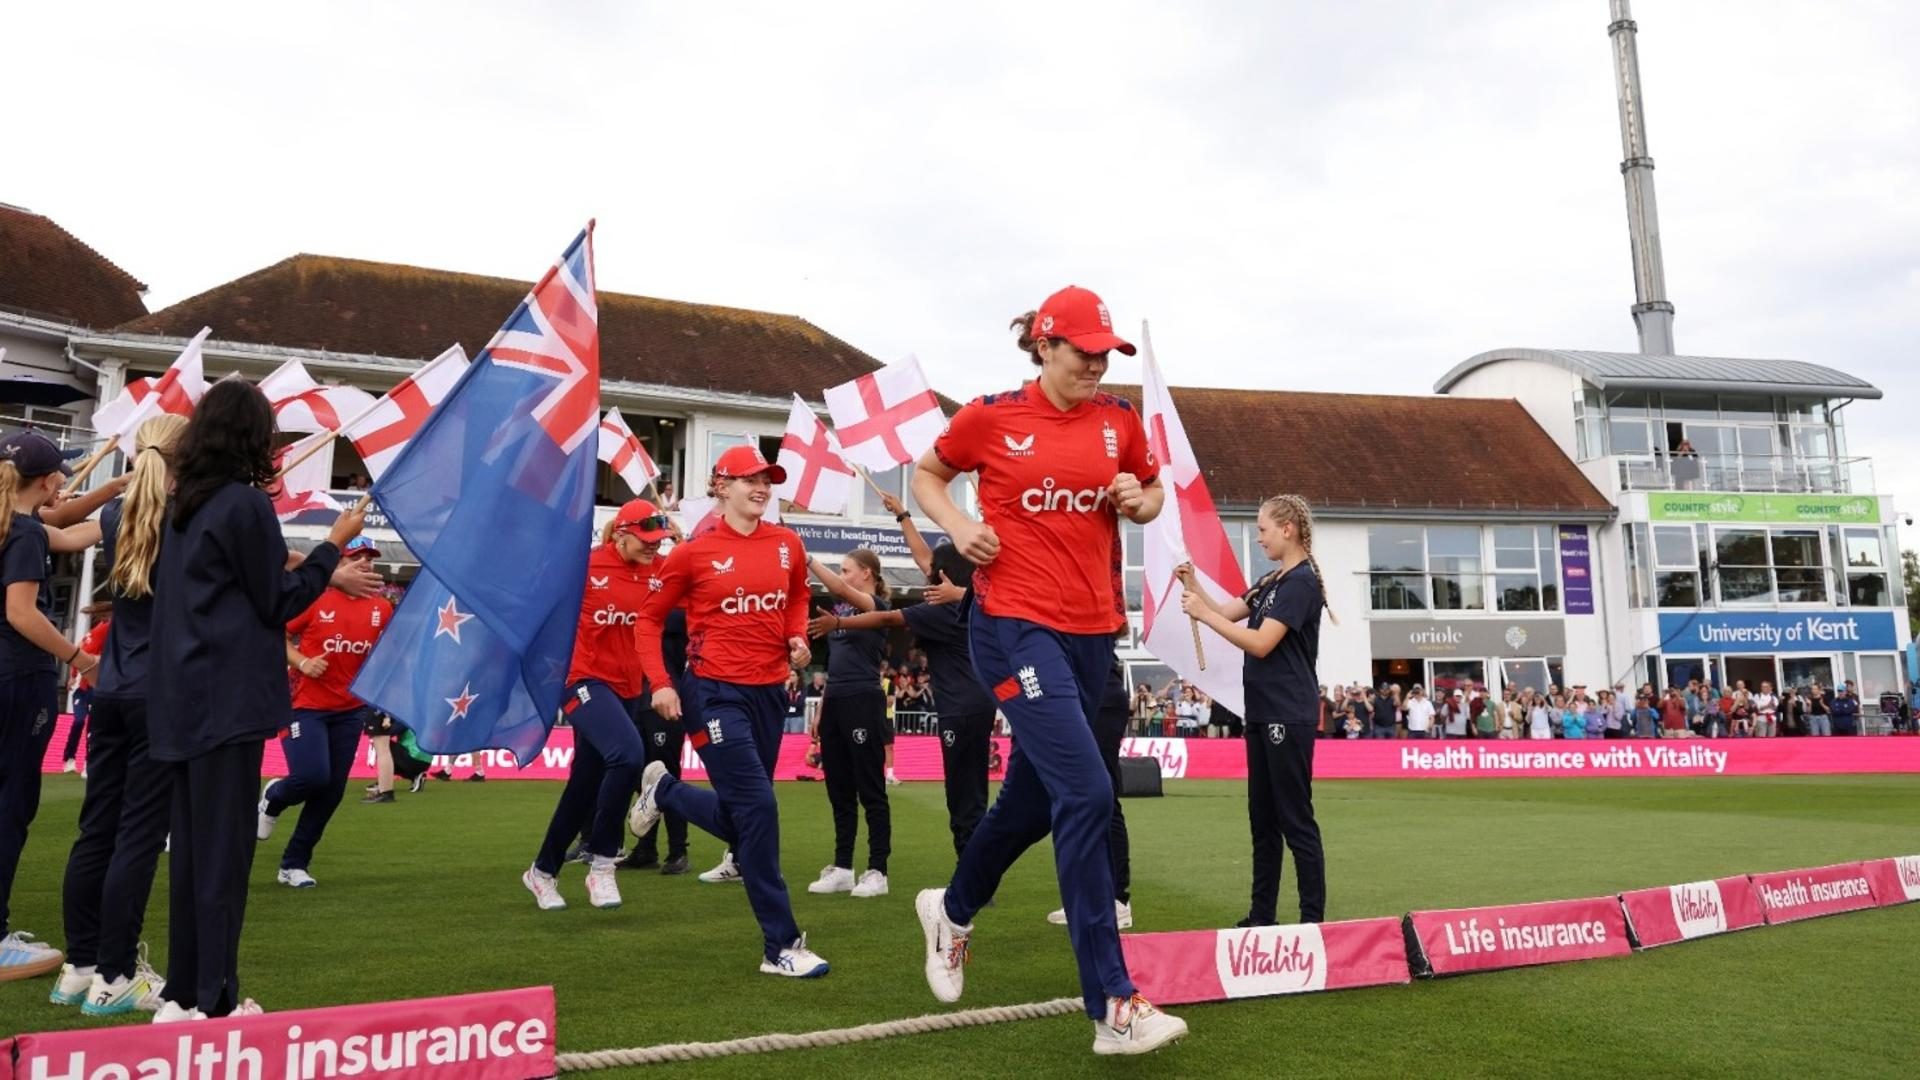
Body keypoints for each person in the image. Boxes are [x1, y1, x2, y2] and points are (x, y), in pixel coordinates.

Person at [907, 287, 1185, 1055]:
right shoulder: (992, 415)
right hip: (1013, 629)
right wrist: (962, 525)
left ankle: (952, 907)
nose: (1097, 364)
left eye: (1106, 353)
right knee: (1089, 791)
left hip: (1095, 634)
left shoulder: (1118, 422)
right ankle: (1114, 1005)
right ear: (1046, 347)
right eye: (1084, 351)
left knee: (1035, 799)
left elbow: (1156, 493)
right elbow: (927, 473)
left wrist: (1141, 497)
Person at [146, 379, 362, 1020]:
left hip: (183, 699)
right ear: (252, 439)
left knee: (192, 856)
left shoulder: (183, 503)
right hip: (225, 703)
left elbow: (241, 592)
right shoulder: (242, 504)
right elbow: (279, 602)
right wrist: (330, 547)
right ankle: (211, 1001)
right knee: (222, 858)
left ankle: (186, 992)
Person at [630, 445, 826, 977]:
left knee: (746, 816)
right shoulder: (692, 552)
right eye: (749, 480)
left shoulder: (788, 543)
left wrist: (794, 639)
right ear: (721, 486)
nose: (761, 488)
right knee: (760, 809)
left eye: (767, 480)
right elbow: (648, 622)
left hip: (770, 692)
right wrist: (662, 684)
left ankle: (664, 790)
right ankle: (780, 946)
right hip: (713, 693)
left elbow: (796, 600)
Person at [809, 517, 996, 872]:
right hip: (977, 705)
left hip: (960, 709)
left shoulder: (944, 610)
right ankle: (976, 873)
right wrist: (903, 517)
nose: (926, 573)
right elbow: (927, 561)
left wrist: (839, 623)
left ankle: (973, 877)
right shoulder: (973, 603)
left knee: (963, 798)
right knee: (972, 793)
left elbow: (889, 618)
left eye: (932, 572)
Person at [1182, 493, 1331, 930]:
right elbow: (1224, 610)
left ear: (1288, 529)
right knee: (1262, 821)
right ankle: (1262, 915)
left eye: (1263, 529)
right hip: (1263, 712)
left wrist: (1204, 617)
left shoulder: (1302, 582)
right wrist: (1192, 584)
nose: (1259, 537)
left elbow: (1261, 642)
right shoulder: (1271, 581)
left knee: (1295, 820)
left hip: (1289, 711)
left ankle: (1311, 922)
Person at [522, 500, 673, 911]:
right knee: (628, 755)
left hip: (627, 688)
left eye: (658, 541)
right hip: (581, 679)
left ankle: (542, 871)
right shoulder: (584, 567)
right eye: (644, 540)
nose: (652, 548)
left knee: (584, 785)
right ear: (620, 534)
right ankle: (603, 862)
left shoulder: (660, 572)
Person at [0, 432, 100, 982]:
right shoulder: (23, 535)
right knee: (11, 806)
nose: (64, 480)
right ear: (46, 481)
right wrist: (80, 658)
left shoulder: (17, 525)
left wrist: (117, 487)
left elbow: (74, 527)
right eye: (60, 473)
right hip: (17, 676)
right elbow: (22, 612)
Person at [260, 536, 393, 886]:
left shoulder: (382, 608)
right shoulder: (315, 597)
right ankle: (274, 797)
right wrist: (302, 662)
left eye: (370, 559)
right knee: (312, 777)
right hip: (304, 706)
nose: (365, 564)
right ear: (337, 566)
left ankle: (294, 864)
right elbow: (274, 634)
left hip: (349, 709)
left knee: (332, 791)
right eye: (356, 558)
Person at [805, 547, 893, 898]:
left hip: (863, 701)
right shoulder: (840, 612)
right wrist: (823, 710)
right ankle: (842, 867)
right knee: (838, 790)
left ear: (867, 574)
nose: (842, 576)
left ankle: (878, 871)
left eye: (846, 570)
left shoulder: (879, 609)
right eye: (839, 569)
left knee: (870, 789)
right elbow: (836, 666)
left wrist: (809, 559)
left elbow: (840, 591)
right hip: (837, 701)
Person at [63, 609, 111, 775]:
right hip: (83, 685)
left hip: (96, 684)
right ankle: (69, 757)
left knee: (93, 724)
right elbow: (79, 652)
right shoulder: (100, 630)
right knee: (79, 721)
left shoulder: (105, 629)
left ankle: (87, 763)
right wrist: (72, 676)